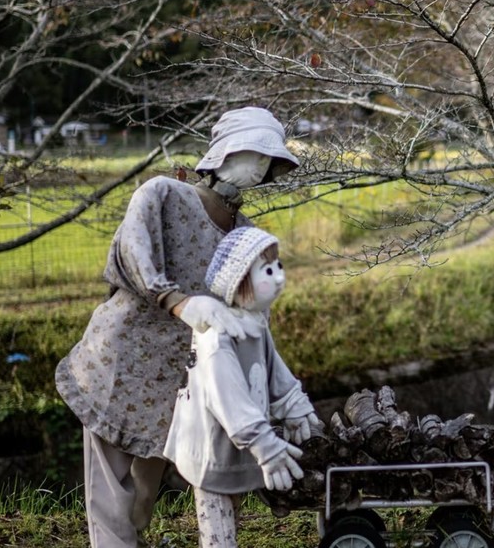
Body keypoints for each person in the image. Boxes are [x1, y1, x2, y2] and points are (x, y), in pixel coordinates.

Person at [55, 107, 301, 548]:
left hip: (180, 379)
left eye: (270, 160)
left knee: (144, 496)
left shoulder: (245, 235)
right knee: (110, 490)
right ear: (224, 152)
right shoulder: (164, 194)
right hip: (122, 359)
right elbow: (133, 249)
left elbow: (250, 318)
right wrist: (178, 300)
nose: (262, 167)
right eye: (256, 153)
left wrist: (284, 396)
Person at [164, 226, 320, 548]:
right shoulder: (217, 337)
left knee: (231, 512)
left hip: (235, 446)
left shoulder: (255, 323)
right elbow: (229, 399)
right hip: (212, 449)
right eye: (267, 270)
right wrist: (265, 444)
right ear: (239, 281)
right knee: (218, 524)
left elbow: (272, 366)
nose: (278, 277)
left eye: (278, 267)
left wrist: (292, 402)